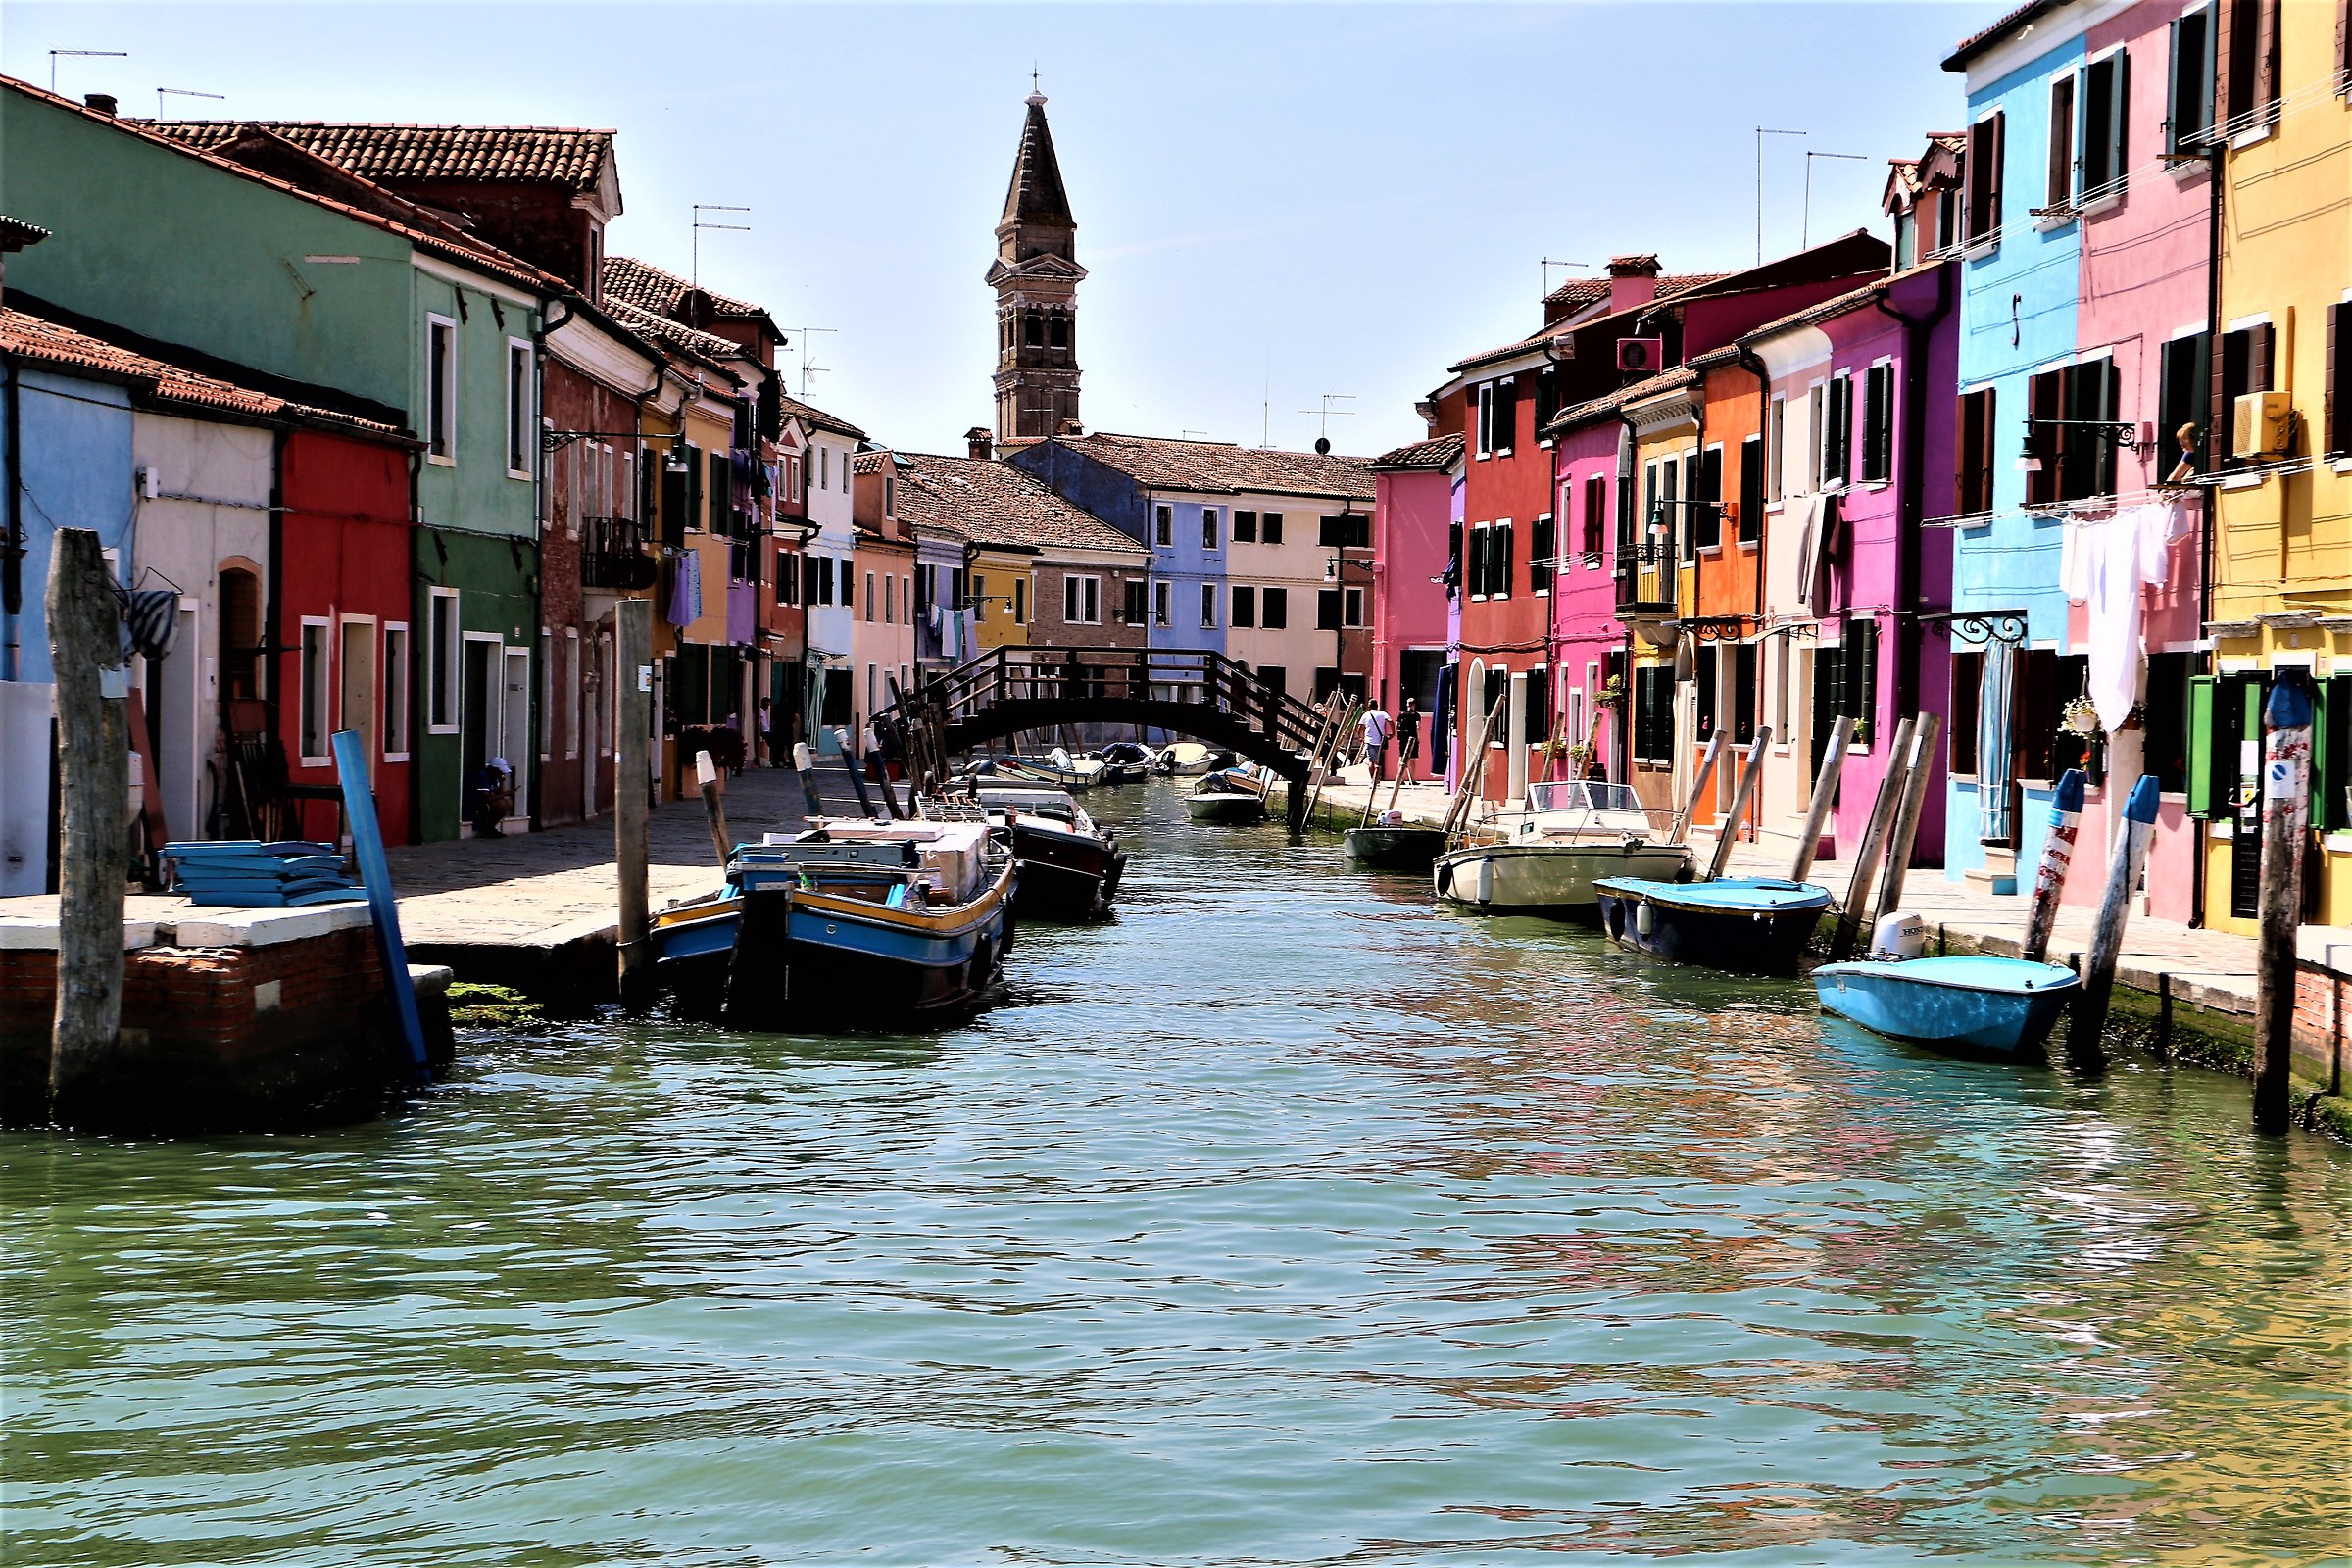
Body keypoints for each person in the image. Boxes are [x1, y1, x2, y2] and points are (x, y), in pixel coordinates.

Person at [470, 758, 514, 839]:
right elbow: (486, 798)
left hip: (486, 802)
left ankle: (490, 827)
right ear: (493, 769)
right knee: (501, 804)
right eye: (500, 772)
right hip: (476, 803)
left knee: (507, 802)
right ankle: (488, 828)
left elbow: (500, 794)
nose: (501, 774)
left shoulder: (494, 778)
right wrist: (506, 793)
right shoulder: (483, 776)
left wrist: (502, 781)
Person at [1359, 702, 1395, 781]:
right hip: (1380, 741)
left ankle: (1373, 780)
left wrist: (1360, 737)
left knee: (1371, 761)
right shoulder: (1383, 713)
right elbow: (1390, 721)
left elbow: (1360, 727)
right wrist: (1392, 733)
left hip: (1369, 740)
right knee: (1379, 761)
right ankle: (1378, 778)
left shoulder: (1366, 715)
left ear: (1369, 706)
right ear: (1377, 706)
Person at [1396, 698, 1423, 779]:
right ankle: (1412, 778)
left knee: (1402, 757)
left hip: (1403, 737)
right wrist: (1419, 737)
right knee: (1412, 759)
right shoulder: (1416, 715)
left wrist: (1399, 735)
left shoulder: (1401, 714)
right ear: (1414, 704)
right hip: (1413, 737)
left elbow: (1396, 726)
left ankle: (1401, 778)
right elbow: (1418, 726)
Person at [756, 697, 774, 768]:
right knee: (773, 745)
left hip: (766, 730)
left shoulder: (763, 711)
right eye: (767, 704)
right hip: (765, 731)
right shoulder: (760, 711)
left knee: (773, 745)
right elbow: (760, 722)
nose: (768, 706)